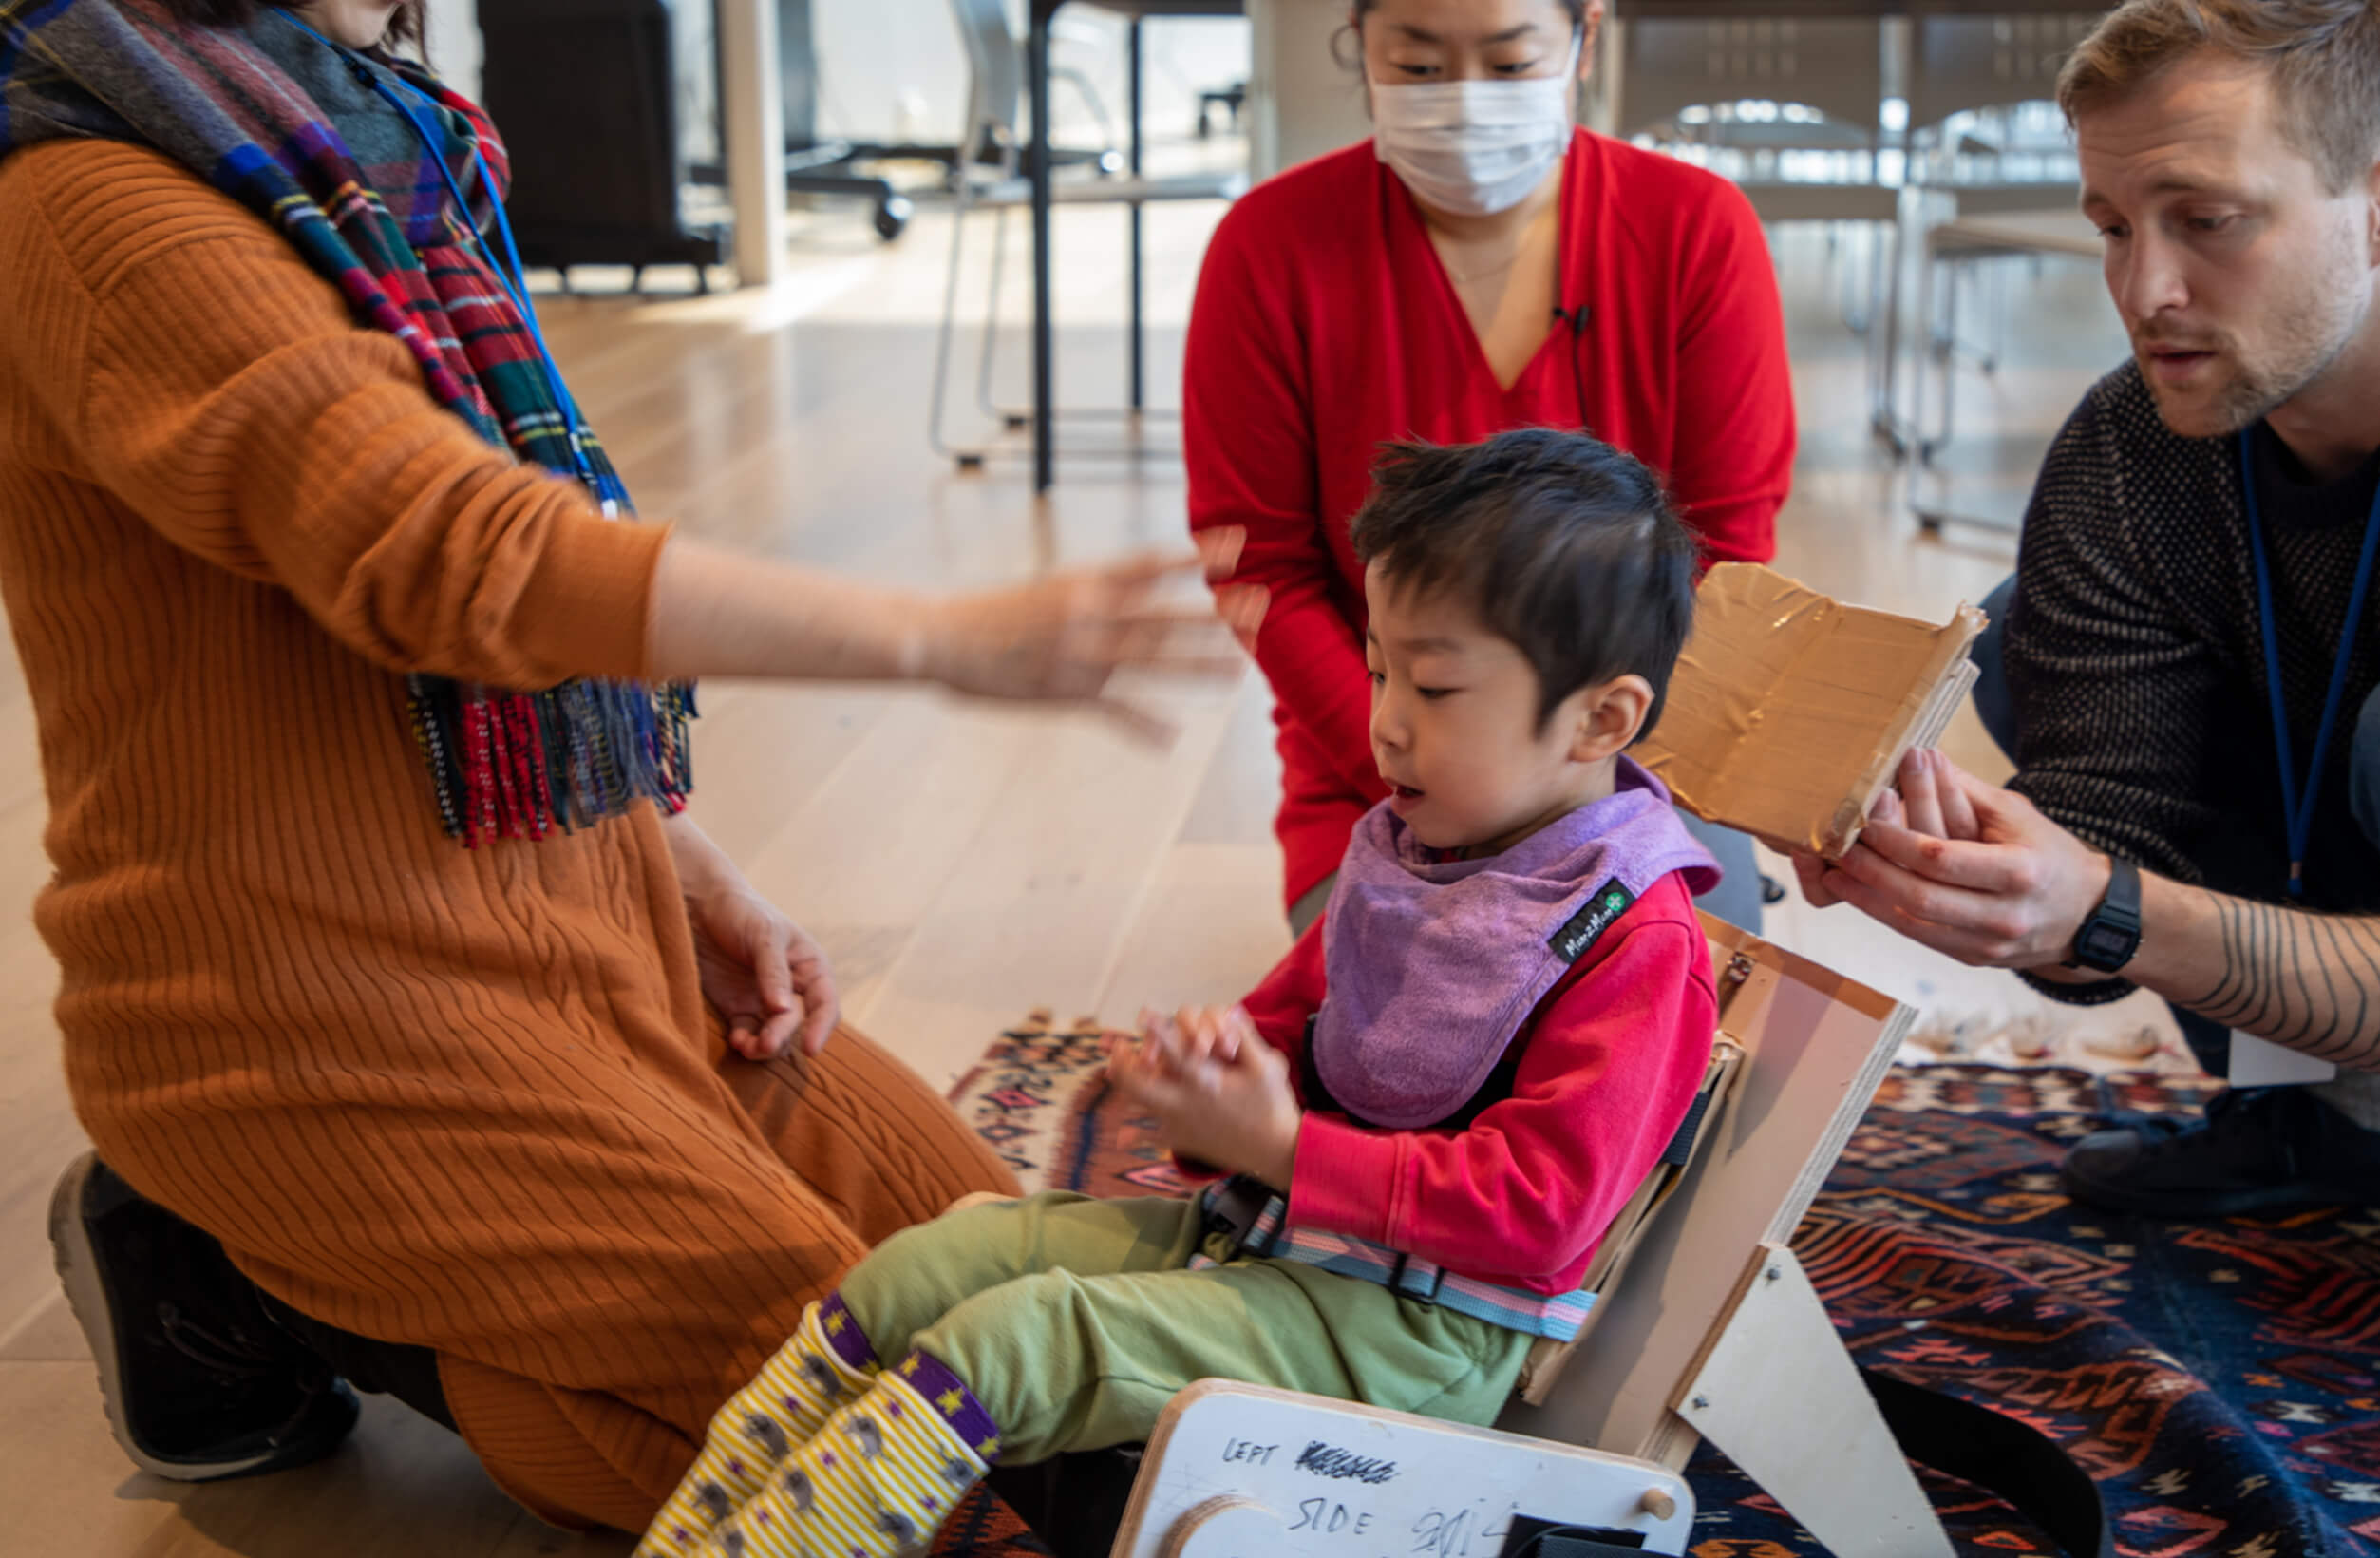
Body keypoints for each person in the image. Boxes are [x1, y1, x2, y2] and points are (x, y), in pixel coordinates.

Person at [3, 0, 1239, 1532]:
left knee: (1030, 1286)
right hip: (311, 1026)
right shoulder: (97, 201)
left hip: (584, 948)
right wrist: (936, 635)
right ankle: (259, 1263)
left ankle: (350, 1277)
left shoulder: (366, 133)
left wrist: (666, 851)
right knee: (886, 1440)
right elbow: (458, 554)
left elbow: (434, 663)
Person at [1795, 0, 2380, 1452]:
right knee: (2023, 627)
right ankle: (2360, 1122)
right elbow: (2109, 840)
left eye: (2208, 220)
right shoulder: (2134, 443)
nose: (2144, 288)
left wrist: (2109, 912)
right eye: (2114, 225)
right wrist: (1981, 879)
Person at [631, 429, 1724, 1558]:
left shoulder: (1636, 943)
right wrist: (1214, 1069)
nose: (1387, 719)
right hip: (1275, 1245)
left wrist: (1287, 1148)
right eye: (1380, 669)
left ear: (1602, 719)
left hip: (1412, 1338)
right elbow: (1295, 1017)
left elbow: (1542, 1208)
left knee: (1023, 1340)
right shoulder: (1415, 851)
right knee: (925, 1263)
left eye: (1435, 686)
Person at [1184, 0, 1796, 937]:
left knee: (1690, 996)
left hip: (1635, 755)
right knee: (1400, 1010)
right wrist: (1419, 748)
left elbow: (1725, 561)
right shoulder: (1270, 247)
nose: (1466, 102)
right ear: (1361, 44)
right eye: (1418, 68)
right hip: (1381, 761)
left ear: (1586, 39)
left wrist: (1578, 776)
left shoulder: (1694, 230)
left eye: (1510, 66)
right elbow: (1262, 565)